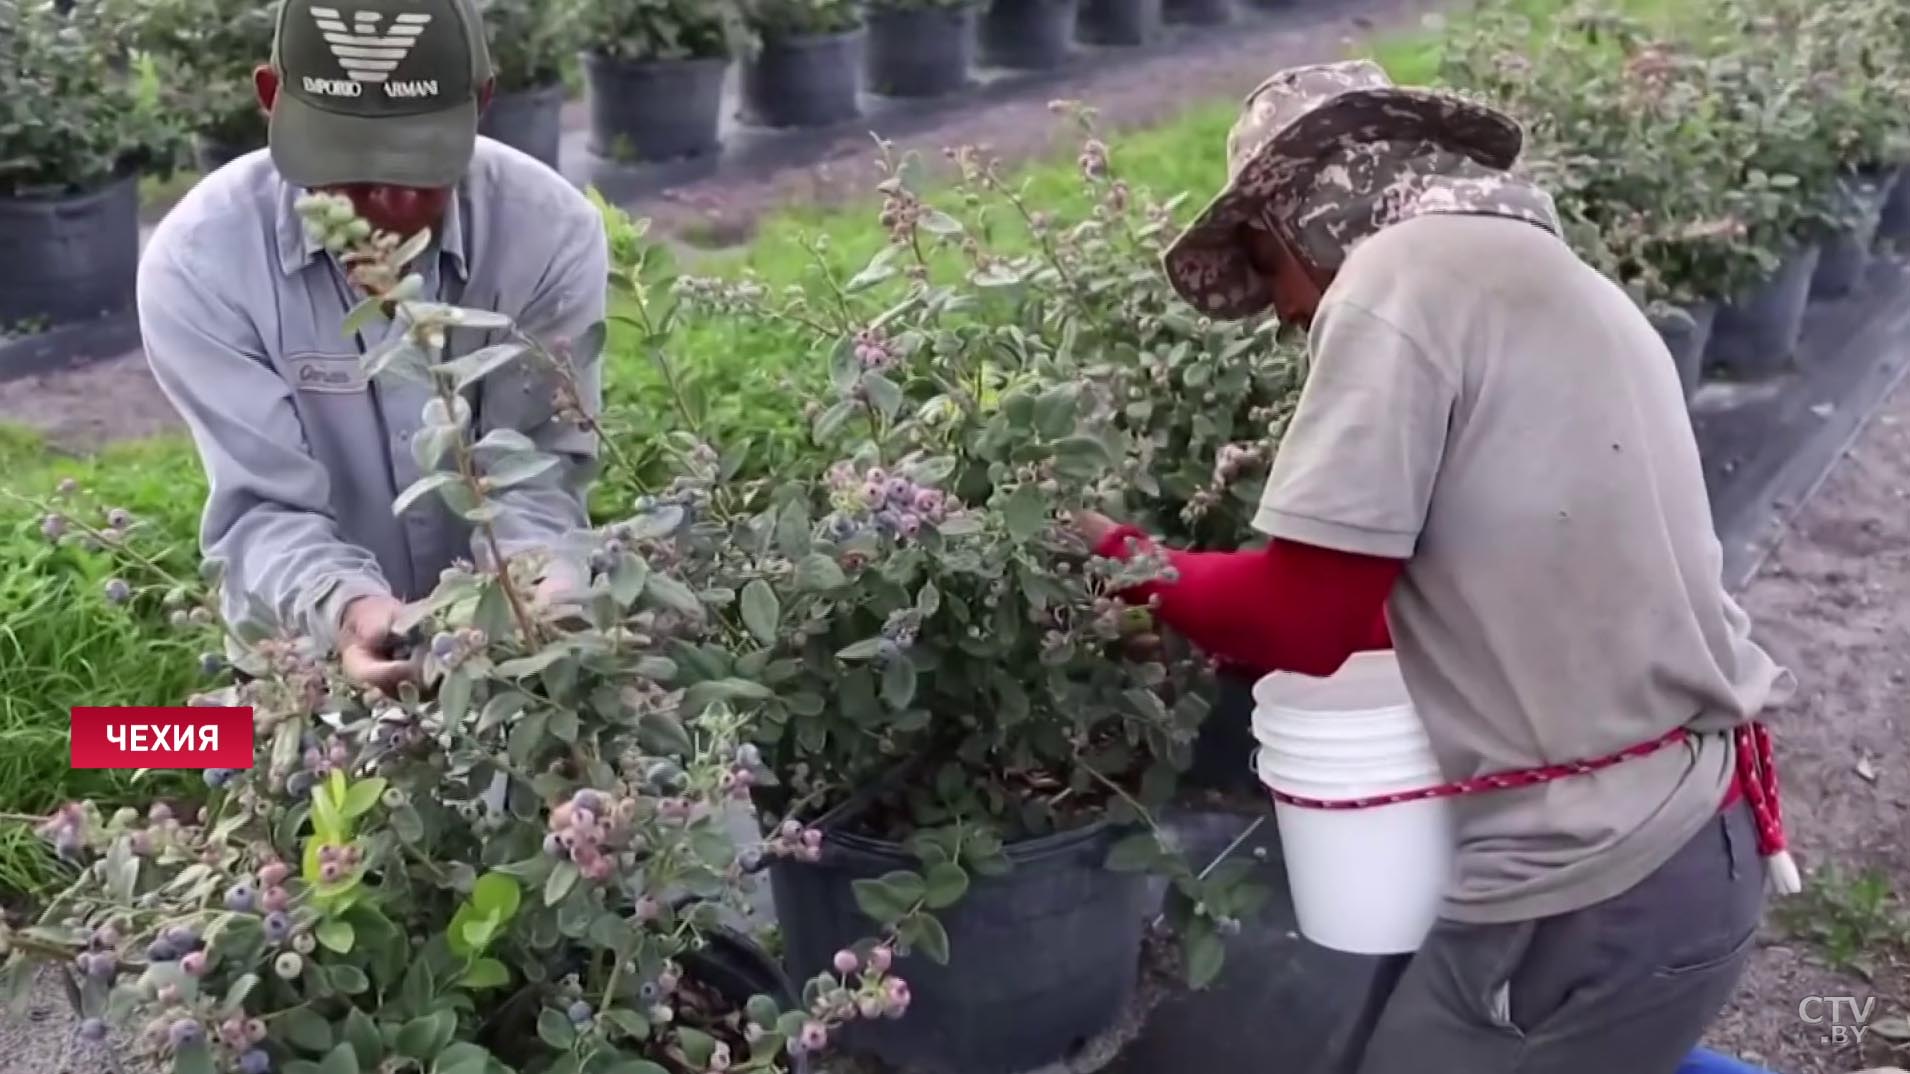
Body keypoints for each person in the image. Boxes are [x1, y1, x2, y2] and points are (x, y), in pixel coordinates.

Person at [1076, 61, 1800, 1074]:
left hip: (1589, 885)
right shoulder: (1551, 280)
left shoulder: (1390, 284)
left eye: (1268, 276)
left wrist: (1119, 558)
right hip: (1685, 840)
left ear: (1296, 224)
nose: (1285, 317)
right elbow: (1443, 596)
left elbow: (1306, 621)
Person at [137, 0, 606, 692]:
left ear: (481, 102)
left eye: (420, 173)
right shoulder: (200, 261)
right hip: (304, 652)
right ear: (272, 101)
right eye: (348, 170)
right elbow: (265, 505)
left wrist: (540, 592)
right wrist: (345, 611)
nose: (383, 206)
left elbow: (534, 470)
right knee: (148, 750)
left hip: (498, 656)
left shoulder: (549, 233)